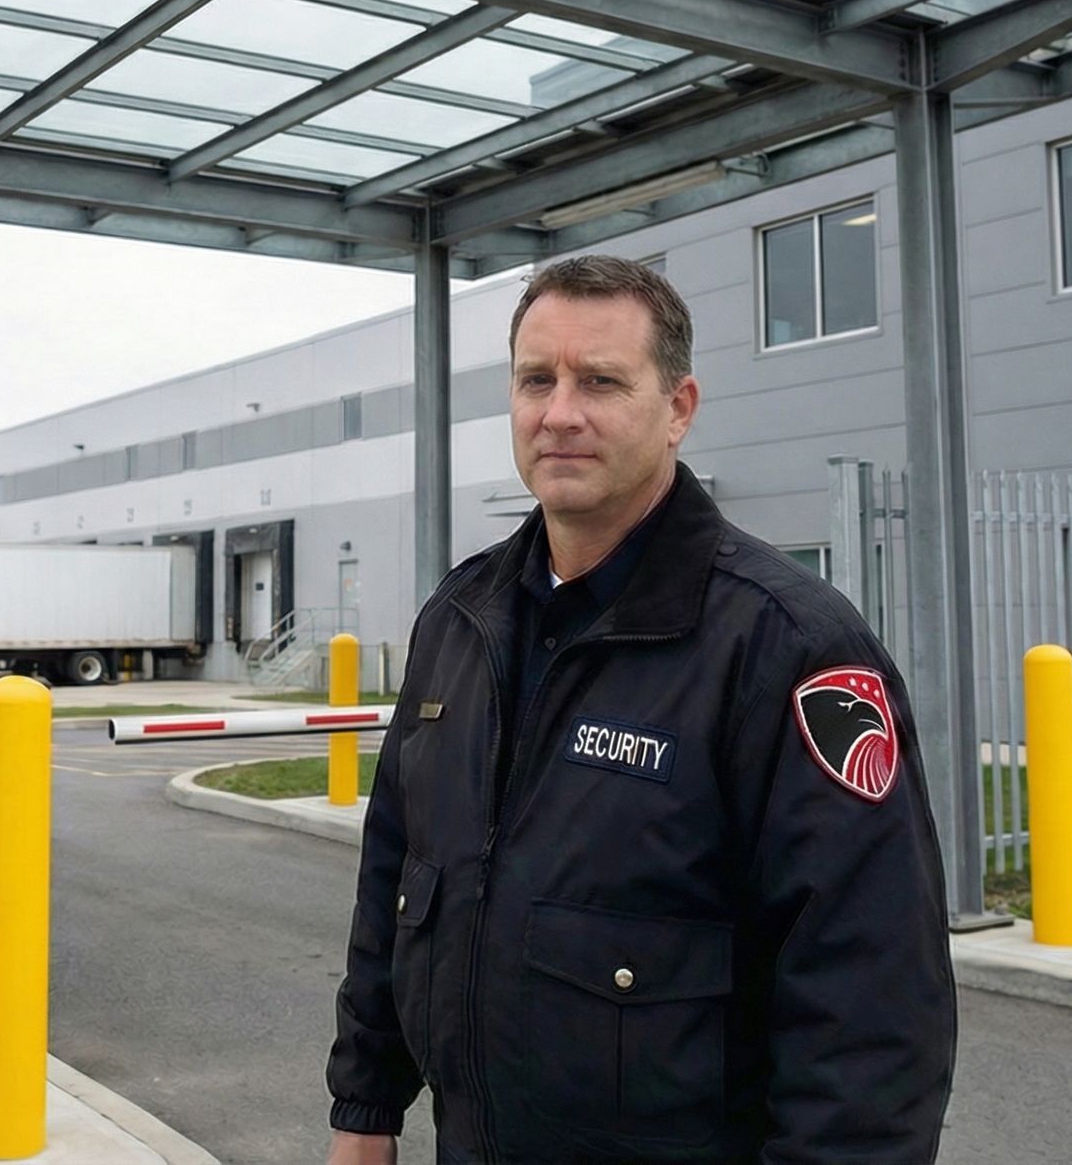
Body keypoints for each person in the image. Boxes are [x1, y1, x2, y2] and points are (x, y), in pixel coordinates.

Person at [326, 256, 955, 1164]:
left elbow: (871, 1005)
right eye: (537, 380)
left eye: (602, 382)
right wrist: (365, 1109)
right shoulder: (460, 621)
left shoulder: (786, 647)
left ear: (679, 409)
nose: (560, 413)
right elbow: (395, 882)